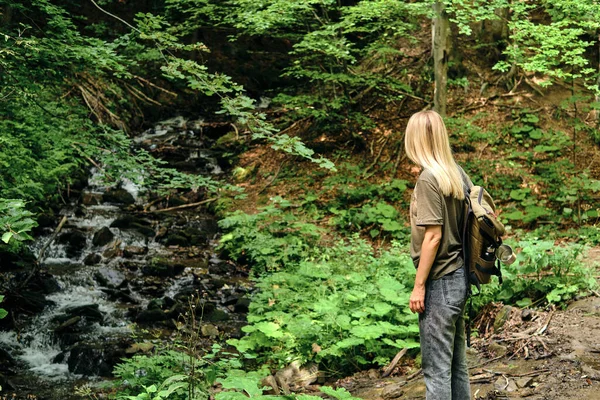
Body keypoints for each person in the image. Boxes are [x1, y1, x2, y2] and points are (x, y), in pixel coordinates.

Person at [404, 110, 472, 400]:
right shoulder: (456, 173)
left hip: (440, 281)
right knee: (457, 366)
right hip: (459, 277)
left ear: (416, 140)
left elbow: (433, 236)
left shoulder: (429, 179)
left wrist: (419, 286)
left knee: (436, 372)